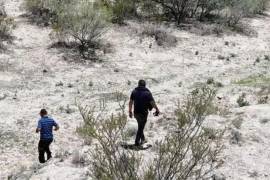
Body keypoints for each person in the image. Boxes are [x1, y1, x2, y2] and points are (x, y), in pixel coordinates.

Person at [129, 80, 160, 146]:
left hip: (136, 113)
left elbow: (131, 102)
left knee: (140, 126)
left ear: (138, 84)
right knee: (141, 127)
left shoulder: (134, 91)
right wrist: (157, 109)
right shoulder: (147, 93)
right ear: (145, 85)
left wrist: (130, 111)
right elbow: (152, 103)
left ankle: (143, 139)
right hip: (143, 113)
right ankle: (137, 143)